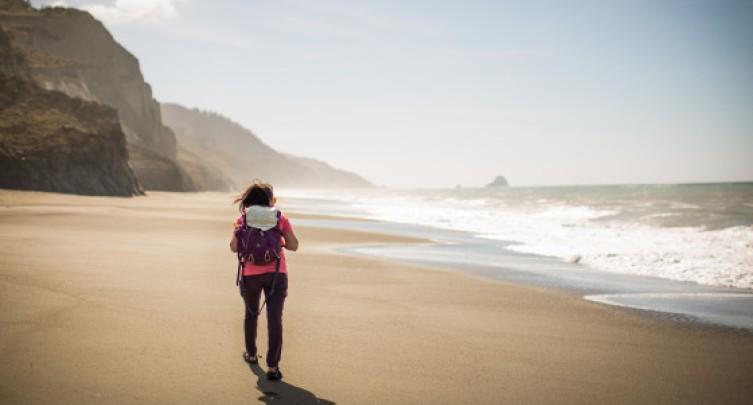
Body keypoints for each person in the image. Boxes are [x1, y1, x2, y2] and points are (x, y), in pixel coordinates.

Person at [230, 181, 299, 381]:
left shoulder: (243, 218)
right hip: (277, 273)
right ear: (270, 199)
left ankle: (251, 354)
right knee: (275, 318)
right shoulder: (280, 217)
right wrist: (280, 241)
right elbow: (294, 245)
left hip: (250, 274)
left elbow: (234, 247)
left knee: (251, 314)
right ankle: (273, 366)